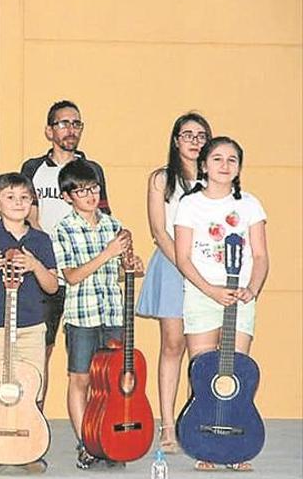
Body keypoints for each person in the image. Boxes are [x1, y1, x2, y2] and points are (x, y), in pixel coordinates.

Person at [174, 136, 268, 472]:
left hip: (239, 296)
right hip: (202, 294)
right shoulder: (189, 204)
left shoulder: (250, 205)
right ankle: (205, 445)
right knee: (203, 372)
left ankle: (238, 446)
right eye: (217, 158)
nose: (224, 165)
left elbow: (259, 255)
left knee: (237, 371)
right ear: (203, 165)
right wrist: (210, 289)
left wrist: (251, 289)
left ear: (239, 167)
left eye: (232, 159)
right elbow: (183, 257)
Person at [50, 159, 143, 470]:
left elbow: (117, 271)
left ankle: (109, 439)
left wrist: (131, 267)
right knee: (81, 379)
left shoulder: (113, 226)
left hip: (113, 313)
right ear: (67, 197)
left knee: (113, 381)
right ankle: (86, 443)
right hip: (81, 315)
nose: (89, 195)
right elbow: (72, 276)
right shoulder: (63, 229)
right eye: (81, 191)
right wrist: (107, 254)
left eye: (93, 188)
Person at [20, 100, 111, 408]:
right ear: (49, 130)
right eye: (63, 123)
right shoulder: (33, 169)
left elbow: (103, 220)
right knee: (41, 350)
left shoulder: (91, 170)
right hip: (48, 275)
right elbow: (29, 220)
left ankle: (96, 428)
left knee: (90, 361)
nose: (70, 129)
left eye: (76, 123)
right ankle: (36, 417)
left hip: (84, 279)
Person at [0, 173, 58, 472]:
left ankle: (29, 449)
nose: (18, 203)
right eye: (10, 197)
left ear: (32, 202)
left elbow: (52, 286)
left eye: (23, 198)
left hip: (31, 325)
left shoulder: (40, 240)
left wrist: (35, 265)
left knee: (31, 385)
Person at [136, 112, 211, 454]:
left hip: (208, 270)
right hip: (171, 265)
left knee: (203, 350)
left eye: (200, 135)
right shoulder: (161, 179)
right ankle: (167, 424)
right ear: (176, 140)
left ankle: (195, 420)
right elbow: (158, 229)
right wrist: (184, 265)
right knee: (172, 344)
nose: (194, 141)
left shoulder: (217, 180)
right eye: (188, 135)